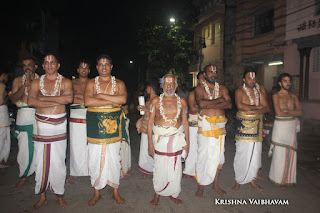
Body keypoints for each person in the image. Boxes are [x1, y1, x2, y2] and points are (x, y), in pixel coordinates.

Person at [28, 53, 73, 210]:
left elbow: (68, 99)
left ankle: (59, 195)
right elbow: (30, 101)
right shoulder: (35, 83)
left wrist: (42, 100)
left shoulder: (65, 81)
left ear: (57, 65)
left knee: (59, 162)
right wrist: (55, 99)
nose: (49, 65)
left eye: (52, 62)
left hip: (59, 126)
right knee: (40, 162)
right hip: (41, 126)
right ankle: (42, 197)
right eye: (46, 62)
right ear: (43, 65)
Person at [84, 54, 127, 205]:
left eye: (107, 64)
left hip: (113, 127)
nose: (104, 67)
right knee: (94, 158)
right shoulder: (90, 83)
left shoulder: (120, 83)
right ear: (96, 67)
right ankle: (96, 192)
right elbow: (88, 101)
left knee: (114, 158)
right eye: (101, 64)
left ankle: (115, 191)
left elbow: (122, 100)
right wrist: (111, 100)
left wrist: (101, 96)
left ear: (111, 66)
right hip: (95, 127)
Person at [147, 74, 189, 207]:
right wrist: (150, 143)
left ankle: (174, 194)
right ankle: (157, 194)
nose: (169, 86)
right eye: (166, 83)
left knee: (176, 167)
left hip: (176, 139)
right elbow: (150, 123)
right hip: (160, 139)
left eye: (172, 83)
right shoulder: (155, 101)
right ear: (162, 85)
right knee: (159, 166)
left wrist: (187, 143)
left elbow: (185, 122)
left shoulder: (182, 101)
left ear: (176, 85)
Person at [194, 65, 232, 197]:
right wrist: (220, 100)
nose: (213, 74)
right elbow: (201, 104)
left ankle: (215, 185)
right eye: (211, 72)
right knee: (203, 155)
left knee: (218, 157)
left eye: (215, 72)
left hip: (220, 126)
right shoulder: (199, 89)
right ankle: (201, 185)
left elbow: (229, 104)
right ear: (205, 74)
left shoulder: (223, 88)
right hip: (205, 126)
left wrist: (211, 102)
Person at [232, 67, 269, 192]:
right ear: (244, 79)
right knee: (241, 153)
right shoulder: (239, 91)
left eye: (254, 78)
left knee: (255, 154)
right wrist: (258, 107)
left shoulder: (261, 90)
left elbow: (266, 108)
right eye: (249, 78)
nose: (252, 80)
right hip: (243, 125)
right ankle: (239, 180)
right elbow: (240, 106)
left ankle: (252, 180)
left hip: (257, 125)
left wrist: (251, 109)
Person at [268, 73, 303, 188]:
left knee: (291, 153)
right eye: (285, 81)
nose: (288, 83)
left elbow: (300, 112)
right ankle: (277, 180)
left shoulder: (294, 97)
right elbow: (279, 113)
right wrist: (292, 112)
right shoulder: (276, 96)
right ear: (280, 83)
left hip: (291, 128)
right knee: (279, 154)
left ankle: (288, 179)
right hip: (280, 127)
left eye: (289, 81)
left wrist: (288, 112)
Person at [10, 57, 39, 188]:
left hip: (37, 115)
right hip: (23, 115)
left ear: (35, 67)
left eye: (30, 65)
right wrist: (24, 86)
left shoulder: (41, 80)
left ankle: (39, 173)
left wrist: (32, 84)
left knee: (39, 147)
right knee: (23, 148)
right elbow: (13, 99)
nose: (27, 67)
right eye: (24, 65)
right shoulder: (17, 80)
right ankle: (24, 175)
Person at [66, 59, 90, 183]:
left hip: (90, 113)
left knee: (90, 143)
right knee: (75, 143)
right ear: (78, 69)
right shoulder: (71, 83)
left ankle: (91, 169)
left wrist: (80, 98)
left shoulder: (93, 83)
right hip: (75, 113)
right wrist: (86, 98)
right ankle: (74, 171)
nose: (83, 69)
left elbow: (94, 98)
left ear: (89, 70)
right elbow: (69, 98)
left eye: (86, 67)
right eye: (81, 67)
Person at [183, 71, 205, 179]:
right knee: (192, 147)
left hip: (205, 123)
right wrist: (208, 106)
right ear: (197, 80)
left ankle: (199, 170)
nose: (204, 81)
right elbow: (193, 108)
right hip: (193, 123)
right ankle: (189, 171)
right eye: (202, 78)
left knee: (203, 148)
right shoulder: (193, 93)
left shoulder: (209, 92)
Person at [137, 80, 159, 178]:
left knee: (154, 148)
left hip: (153, 128)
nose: (146, 89)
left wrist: (147, 110)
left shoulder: (158, 99)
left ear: (151, 87)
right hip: (145, 126)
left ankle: (156, 169)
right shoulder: (148, 99)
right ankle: (146, 169)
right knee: (144, 149)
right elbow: (146, 112)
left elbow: (159, 113)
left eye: (147, 87)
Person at [0, 70, 10, 169]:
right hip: (1, 112)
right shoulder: (2, 85)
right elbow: (1, 101)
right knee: (2, 137)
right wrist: (8, 97)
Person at [120, 104, 131, 177]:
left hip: (126, 134)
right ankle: (121, 170)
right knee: (121, 152)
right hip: (121, 135)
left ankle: (125, 169)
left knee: (125, 151)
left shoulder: (124, 109)